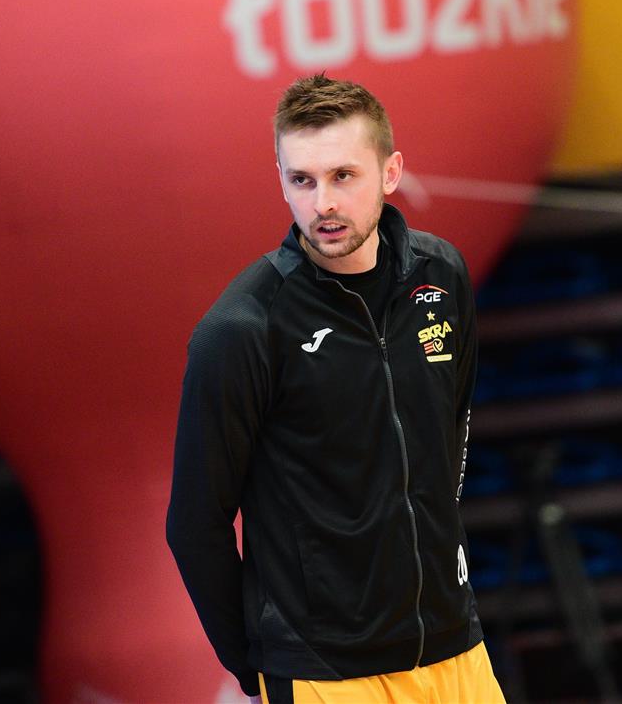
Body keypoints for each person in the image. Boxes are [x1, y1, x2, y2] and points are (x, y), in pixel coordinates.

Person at [166, 74, 505, 704]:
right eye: (303, 180)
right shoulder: (243, 329)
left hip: (457, 647)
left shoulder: (441, 276)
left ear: (390, 172)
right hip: (327, 673)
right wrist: (255, 666)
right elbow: (194, 524)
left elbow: (449, 434)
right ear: (281, 181)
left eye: (343, 176)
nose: (323, 202)